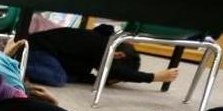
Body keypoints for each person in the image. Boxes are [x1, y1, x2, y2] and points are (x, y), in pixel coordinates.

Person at [25, 24, 179, 88]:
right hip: (36, 49)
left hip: (51, 56)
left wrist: (102, 80)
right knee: (58, 78)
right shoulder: (100, 44)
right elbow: (118, 71)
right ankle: (19, 65)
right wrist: (153, 77)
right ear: (118, 55)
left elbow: (83, 76)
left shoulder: (90, 55)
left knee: (69, 76)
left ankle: (26, 68)